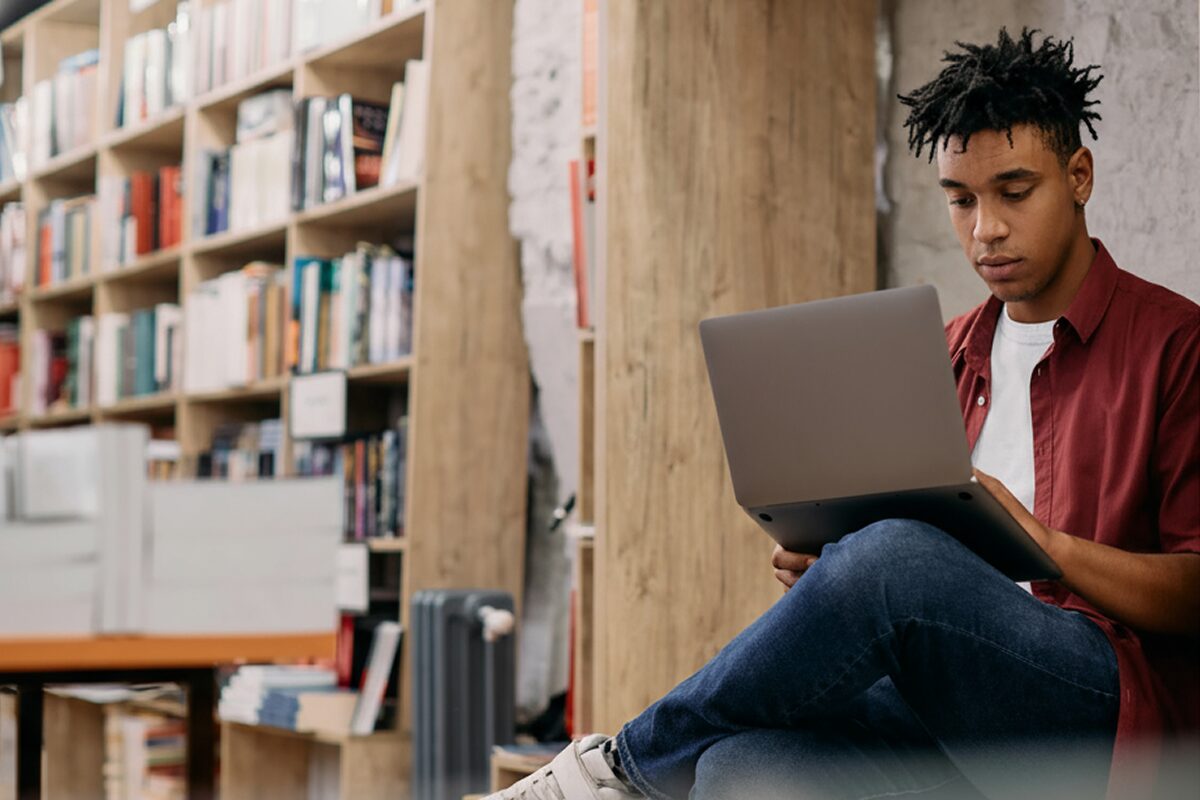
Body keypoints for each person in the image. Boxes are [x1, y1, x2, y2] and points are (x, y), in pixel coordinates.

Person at [485, 28, 1199, 800]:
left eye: (1014, 193)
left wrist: (1045, 544)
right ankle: (646, 763)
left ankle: (618, 767)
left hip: (1100, 717)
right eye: (960, 201)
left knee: (891, 559)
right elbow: (899, 580)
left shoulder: (1177, 345)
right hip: (939, 719)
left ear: (1079, 175)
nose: (985, 229)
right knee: (741, 768)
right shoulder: (942, 352)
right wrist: (833, 576)